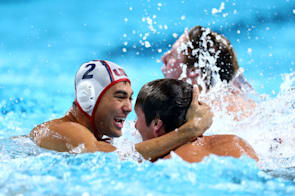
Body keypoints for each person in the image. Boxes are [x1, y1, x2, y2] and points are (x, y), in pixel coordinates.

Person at [30, 60, 213, 161]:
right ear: (89, 98)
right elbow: (118, 158)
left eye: (130, 97)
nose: (128, 108)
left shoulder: (97, 135)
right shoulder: (67, 129)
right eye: (119, 96)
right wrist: (191, 130)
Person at [134, 78, 258, 162]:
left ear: (156, 124)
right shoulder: (236, 142)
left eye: (137, 117)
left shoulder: (166, 162)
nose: (135, 126)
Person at [161, 26, 255, 120]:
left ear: (194, 70)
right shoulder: (244, 103)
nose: (163, 58)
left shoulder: (198, 112)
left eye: (172, 55)